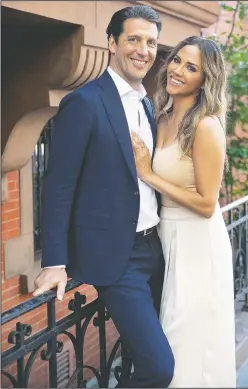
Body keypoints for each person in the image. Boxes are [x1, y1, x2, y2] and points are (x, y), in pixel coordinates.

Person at [33, 5, 174, 388]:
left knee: (146, 353)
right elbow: (58, 185)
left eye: (150, 42)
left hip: (153, 249)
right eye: (133, 39)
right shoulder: (85, 102)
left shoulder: (146, 103)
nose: (143, 50)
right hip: (119, 257)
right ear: (112, 42)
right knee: (159, 368)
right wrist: (56, 261)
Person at [131, 36, 236, 388]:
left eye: (191, 68)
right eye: (177, 60)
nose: (177, 70)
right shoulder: (160, 116)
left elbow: (208, 204)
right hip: (167, 240)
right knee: (173, 341)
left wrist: (148, 174)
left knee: (188, 347)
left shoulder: (205, 126)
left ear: (205, 80)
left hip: (198, 245)